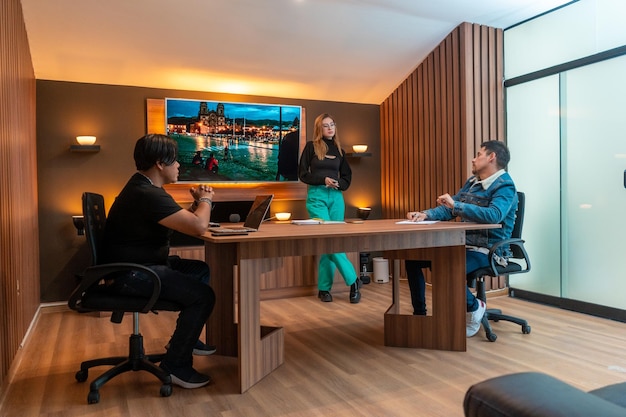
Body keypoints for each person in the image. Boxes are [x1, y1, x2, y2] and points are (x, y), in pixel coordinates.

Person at [102, 133, 217, 389]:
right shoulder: (147, 194)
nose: (179, 166)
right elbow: (198, 226)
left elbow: (177, 221)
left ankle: (183, 341)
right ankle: (176, 364)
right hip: (133, 274)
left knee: (199, 270)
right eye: (175, 160)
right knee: (203, 296)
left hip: (136, 266)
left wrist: (197, 204)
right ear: (159, 163)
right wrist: (207, 198)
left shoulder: (144, 188)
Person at [405, 140, 517, 337]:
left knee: (446, 266)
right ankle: (420, 316)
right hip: (463, 245)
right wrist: (425, 214)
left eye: (478, 154)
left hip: (489, 250)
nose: (473, 159)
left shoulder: (505, 186)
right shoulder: (472, 183)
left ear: (492, 157)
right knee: (413, 259)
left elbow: (494, 215)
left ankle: (474, 307)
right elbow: (450, 207)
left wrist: (456, 206)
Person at [298, 113, 361, 303]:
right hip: (316, 197)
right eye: (326, 125)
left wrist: (338, 184)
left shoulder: (339, 149)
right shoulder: (311, 147)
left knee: (330, 243)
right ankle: (354, 280)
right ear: (319, 129)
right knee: (329, 239)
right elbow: (302, 174)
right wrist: (322, 180)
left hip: (336, 199)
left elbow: (347, 177)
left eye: (332, 124)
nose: (330, 128)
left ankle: (324, 288)